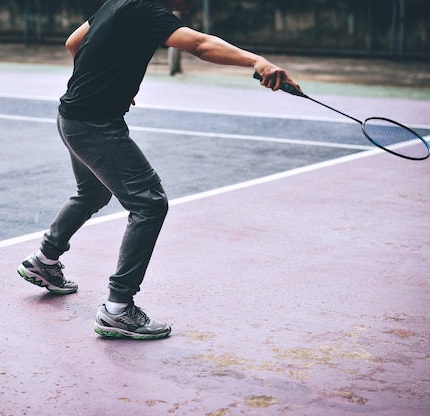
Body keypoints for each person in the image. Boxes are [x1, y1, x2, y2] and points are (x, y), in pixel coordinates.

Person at [17, 0, 302, 340]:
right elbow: (199, 44)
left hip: (71, 116)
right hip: (94, 125)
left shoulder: (120, 3)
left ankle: (44, 261)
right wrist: (257, 61)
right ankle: (118, 309)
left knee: (92, 192)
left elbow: (73, 42)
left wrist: (107, 80)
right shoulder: (149, 11)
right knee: (149, 203)